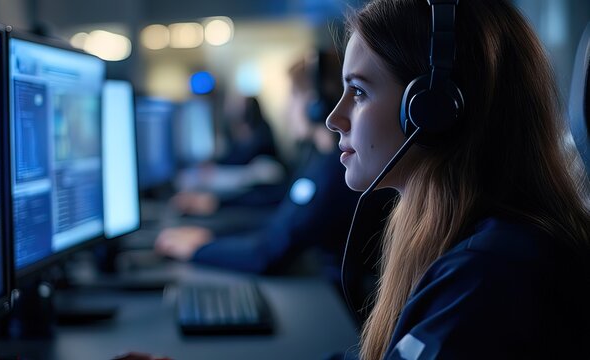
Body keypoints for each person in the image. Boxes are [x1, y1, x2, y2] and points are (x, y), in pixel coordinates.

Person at [325, 0, 590, 359]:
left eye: (358, 91)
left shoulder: (487, 275)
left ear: (432, 108)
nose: (334, 118)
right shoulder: (466, 241)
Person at [154, 52, 367, 284]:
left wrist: (199, 250)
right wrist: (213, 234)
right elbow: (281, 217)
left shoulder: (335, 172)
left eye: (292, 97)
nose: (287, 109)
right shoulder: (319, 160)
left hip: (337, 301)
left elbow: (267, 253)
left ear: (315, 103)